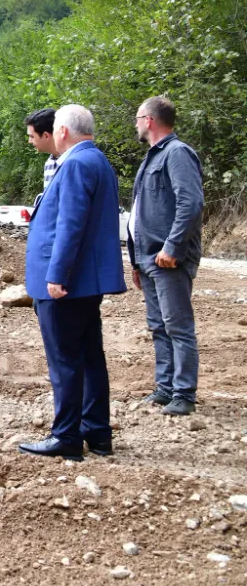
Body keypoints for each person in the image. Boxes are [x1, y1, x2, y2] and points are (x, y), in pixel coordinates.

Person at [19, 105, 127, 461]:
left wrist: (56, 274)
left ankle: (66, 435)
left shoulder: (77, 164)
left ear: (62, 131)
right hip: (84, 283)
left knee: (65, 360)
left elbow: (70, 224)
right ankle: (96, 432)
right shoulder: (98, 161)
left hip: (67, 284)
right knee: (90, 357)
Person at [128, 96, 204, 416]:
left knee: (177, 326)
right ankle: (166, 388)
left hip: (168, 258)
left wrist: (172, 247)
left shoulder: (177, 153)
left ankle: (184, 394)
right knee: (159, 326)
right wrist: (136, 260)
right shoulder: (153, 157)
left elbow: (190, 203)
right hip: (149, 259)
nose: (135, 124)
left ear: (149, 120)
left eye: (137, 118)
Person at [25, 108, 60, 199]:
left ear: (46, 136)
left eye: (32, 136)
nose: (29, 141)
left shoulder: (72, 162)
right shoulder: (49, 163)